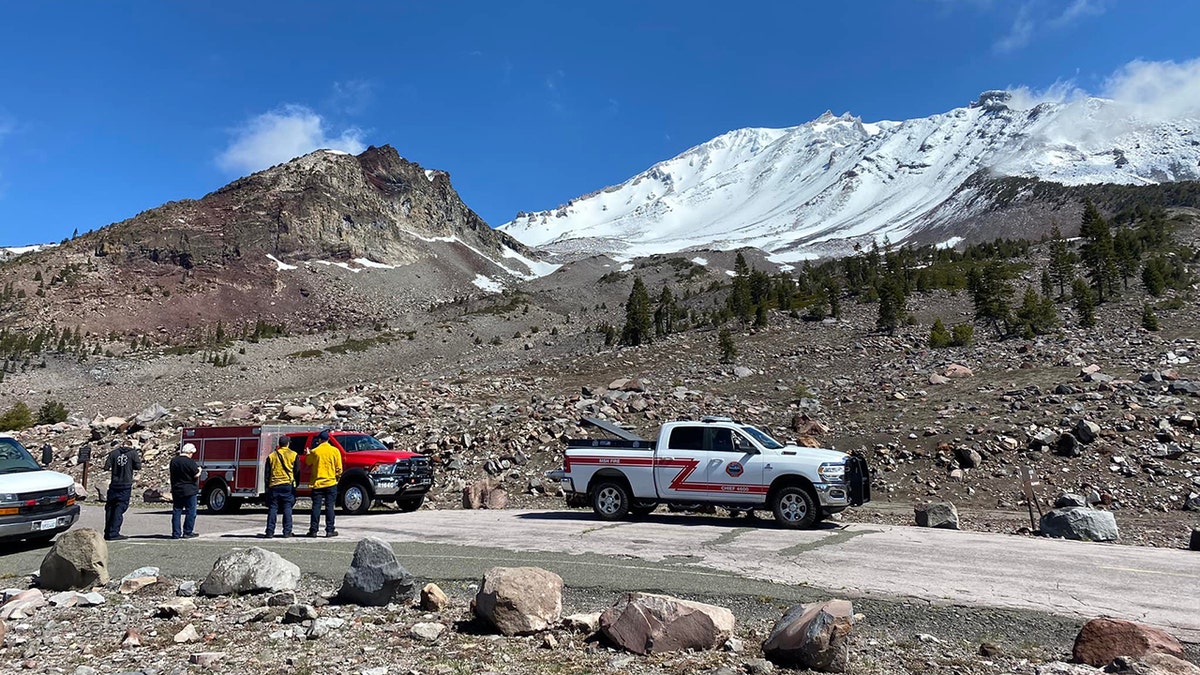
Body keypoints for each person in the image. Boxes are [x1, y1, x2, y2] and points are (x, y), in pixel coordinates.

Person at [305, 429, 342, 537]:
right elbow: (339, 468)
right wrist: (337, 477)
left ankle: (313, 530)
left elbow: (308, 462)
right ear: (328, 439)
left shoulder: (315, 451)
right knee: (330, 507)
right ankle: (330, 530)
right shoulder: (335, 451)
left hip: (317, 483)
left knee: (316, 507)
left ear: (320, 440)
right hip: (330, 482)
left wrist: (308, 454)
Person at [102, 440, 141, 541]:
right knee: (120, 508)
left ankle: (107, 532)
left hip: (114, 483)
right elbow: (138, 466)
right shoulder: (133, 453)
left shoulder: (113, 453)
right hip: (125, 483)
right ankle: (114, 532)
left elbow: (106, 467)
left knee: (110, 508)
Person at [261, 435, 298, 538]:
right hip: (287, 485)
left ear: (279, 444)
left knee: (273, 508)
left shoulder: (271, 456)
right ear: (288, 443)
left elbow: (267, 474)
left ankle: (269, 531)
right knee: (287, 508)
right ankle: (287, 532)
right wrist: (295, 485)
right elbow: (297, 471)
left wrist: (267, 488)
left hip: (274, 485)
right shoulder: (293, 454)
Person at [168, 443, 200, 539]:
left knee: (177, 511)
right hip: (189, 490)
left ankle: (176, 533)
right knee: (191, 511)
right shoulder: (190, 462)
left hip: (177, 489)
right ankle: (187, 531)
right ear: (189, 452)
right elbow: (195, 474)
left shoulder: (173, 461)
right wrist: (200, 470)